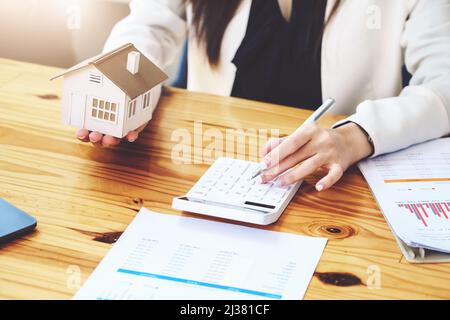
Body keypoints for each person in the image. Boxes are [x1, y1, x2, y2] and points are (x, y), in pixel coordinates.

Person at [77, 0, 450, 191]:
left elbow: (443, 82)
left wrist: (356, 136)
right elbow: (149, 27)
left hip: (334, 186)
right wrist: (123, 87)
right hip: (207, 168)